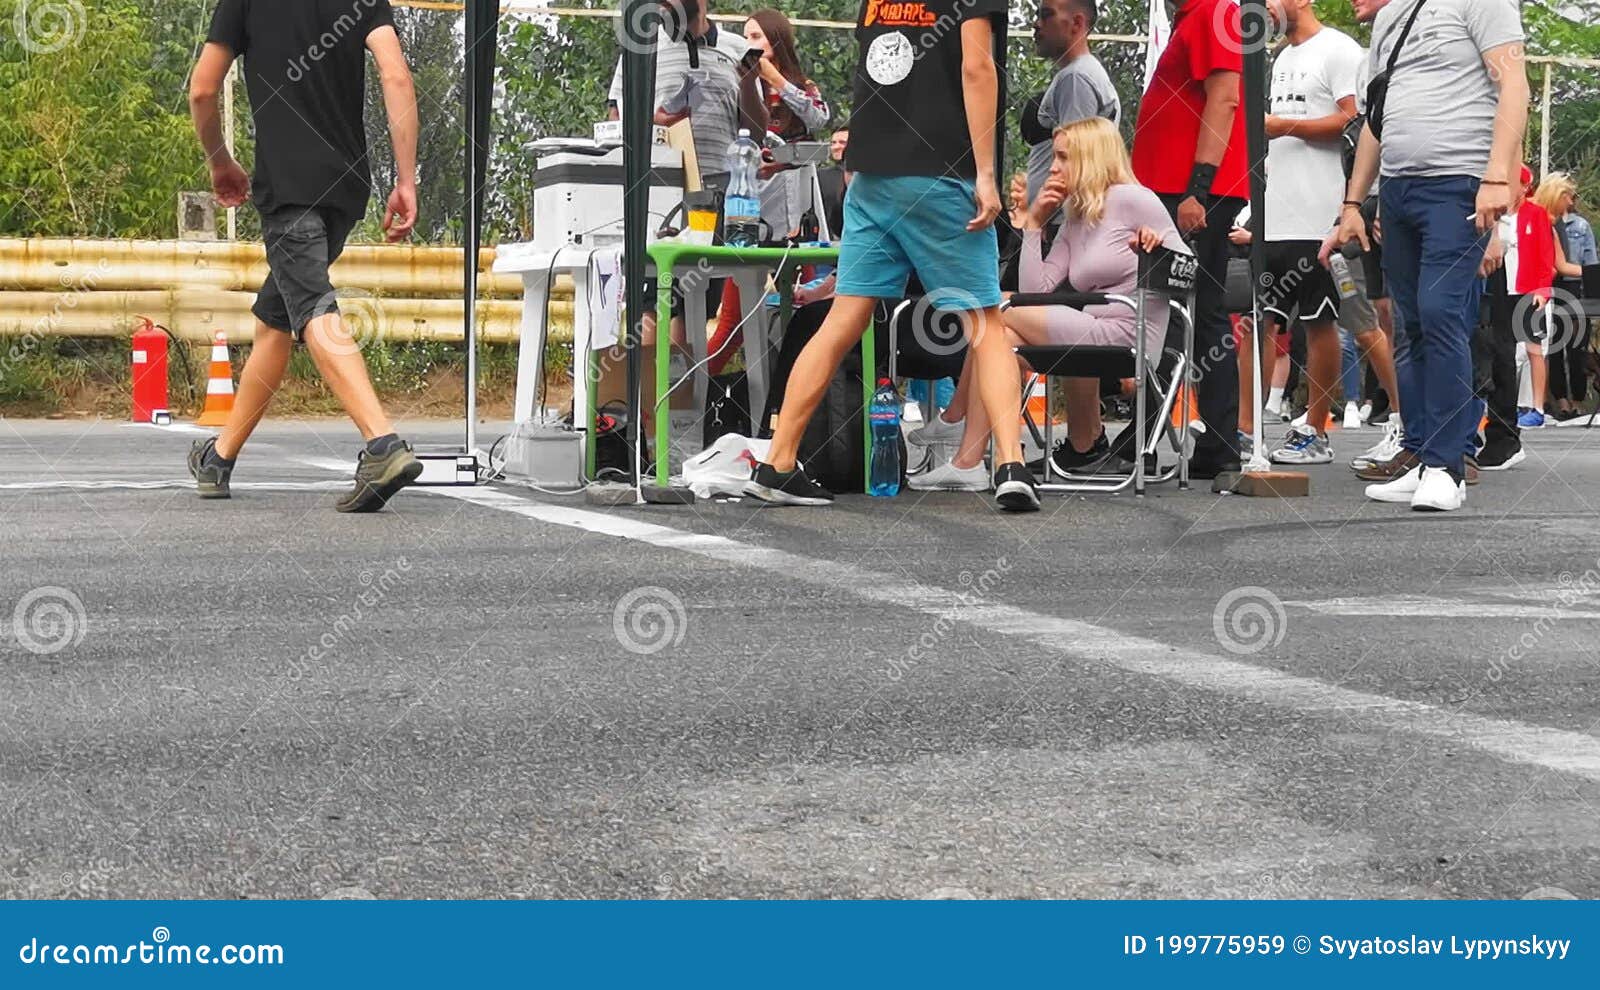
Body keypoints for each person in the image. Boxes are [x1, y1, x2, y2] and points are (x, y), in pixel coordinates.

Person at [744, 0, 1033, 509]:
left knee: (842, 319)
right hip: (941, 170)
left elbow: (878, 70)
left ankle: (778, 462)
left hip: (873, 176)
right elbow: (976, 67)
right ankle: (1012, 466)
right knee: (985, 322)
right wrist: (985, 173)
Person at [186, 0, 422, 511]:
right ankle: (218, 457)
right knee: (277, 318)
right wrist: (406, 181)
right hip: (345, 190)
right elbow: (396, 76)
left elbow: (203, 90)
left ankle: (382, 443)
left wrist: (220, 162)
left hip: (290, 189)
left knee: (312, 303)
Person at [910, 118, 1187, 491]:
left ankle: (956, 417)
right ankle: (967, 461)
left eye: (1063, 157)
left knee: (995, 309)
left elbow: (1190, 273)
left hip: (1129, 334)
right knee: (1001, 335)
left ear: (1092, 157)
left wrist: (1155, 251)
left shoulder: (1135, 199)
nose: (1053, 167)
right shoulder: (1077, 214)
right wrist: (1034, 224)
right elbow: (1035, 291)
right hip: (1089, 330)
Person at [1327, 0, 1528, 512]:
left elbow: (1515, 85)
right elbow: (1376, 118)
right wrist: (1353, 202)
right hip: (1398, 189)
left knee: (1440, 315)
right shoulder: (1394, 16)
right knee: (1409, 322)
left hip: (1457, 183)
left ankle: (1447, 466)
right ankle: (1420, 453)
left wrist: (1497, 177)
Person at [1130, 0, 1249, 479]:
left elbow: (1225, 97)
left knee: (1196, 312)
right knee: (1176, 311)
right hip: (1176, 190)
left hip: (1194, 194)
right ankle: (1199, 442)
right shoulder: (1192, 18)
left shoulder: (1216, 12)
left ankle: (1216, 445)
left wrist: (1197, 189)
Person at [1247, 0, 1363, 466]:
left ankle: (1317, 429)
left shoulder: (1338, 49)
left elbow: (1353, 122)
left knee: (1321, 320)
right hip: (1276, 212)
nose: (1267, 5)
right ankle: (1246, 427)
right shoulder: (1279, 56)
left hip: (1320, 213)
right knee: (1260, 321)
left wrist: (1282, 126)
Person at [1021, 0, 1120, 206]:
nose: (1036, 24)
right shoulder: (1079, 73)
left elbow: (1074, 162)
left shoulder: (1076, 78)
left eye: (1046, 15)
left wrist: (1048, 218)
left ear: (1076, 23)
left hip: (1062, 223)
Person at [1531, 173, 1588, 420]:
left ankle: (1539, 404)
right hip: (1539, 289)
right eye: (1569, 196)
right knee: (1539, 348)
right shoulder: (1545, 221)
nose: (1571, 202)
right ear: (1559, 195)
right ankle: (1537, 404)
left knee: (1546, 347)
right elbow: (1559, 265)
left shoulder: (1555, 224)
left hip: (1549, 288)